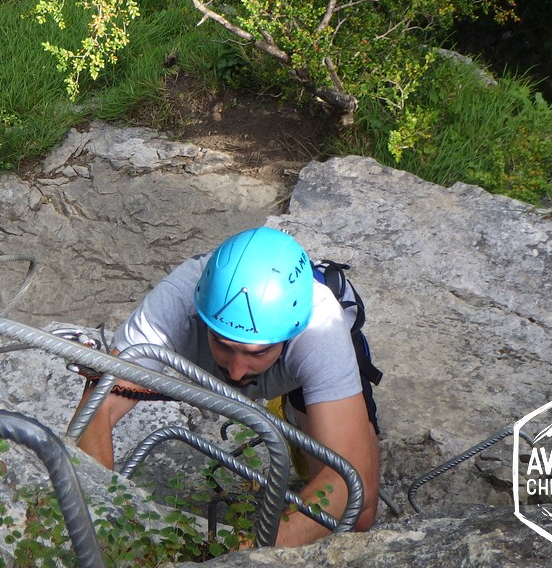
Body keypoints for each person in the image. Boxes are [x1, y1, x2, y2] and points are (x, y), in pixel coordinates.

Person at [74, 226, 381, 547]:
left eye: (257, 351)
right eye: (222, 344)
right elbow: (97, 410)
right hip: (287, 361)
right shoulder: (177, 301)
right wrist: (99, 520)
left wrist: (247, 552)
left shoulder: (321, 329)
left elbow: (350, 484)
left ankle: (296, 405)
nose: (235, 372)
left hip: (301, 371)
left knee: (359, 517)